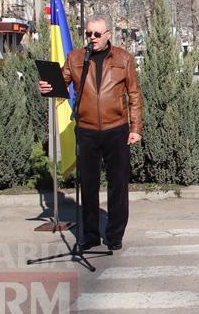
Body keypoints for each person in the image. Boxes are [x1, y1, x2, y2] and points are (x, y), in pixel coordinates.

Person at [38, 14, 143, 251]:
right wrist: (45, 86)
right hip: (86, 130)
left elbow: (135, 94)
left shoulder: (123, 58)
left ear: (107, 35)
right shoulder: (76, 57)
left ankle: (115, 234)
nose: (92, 39)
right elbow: (60, 83)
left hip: (117, 129)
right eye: (88, 34)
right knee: (88, 184)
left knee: (118, 184)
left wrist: (135, 128)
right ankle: (91, 234)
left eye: (97, 34)